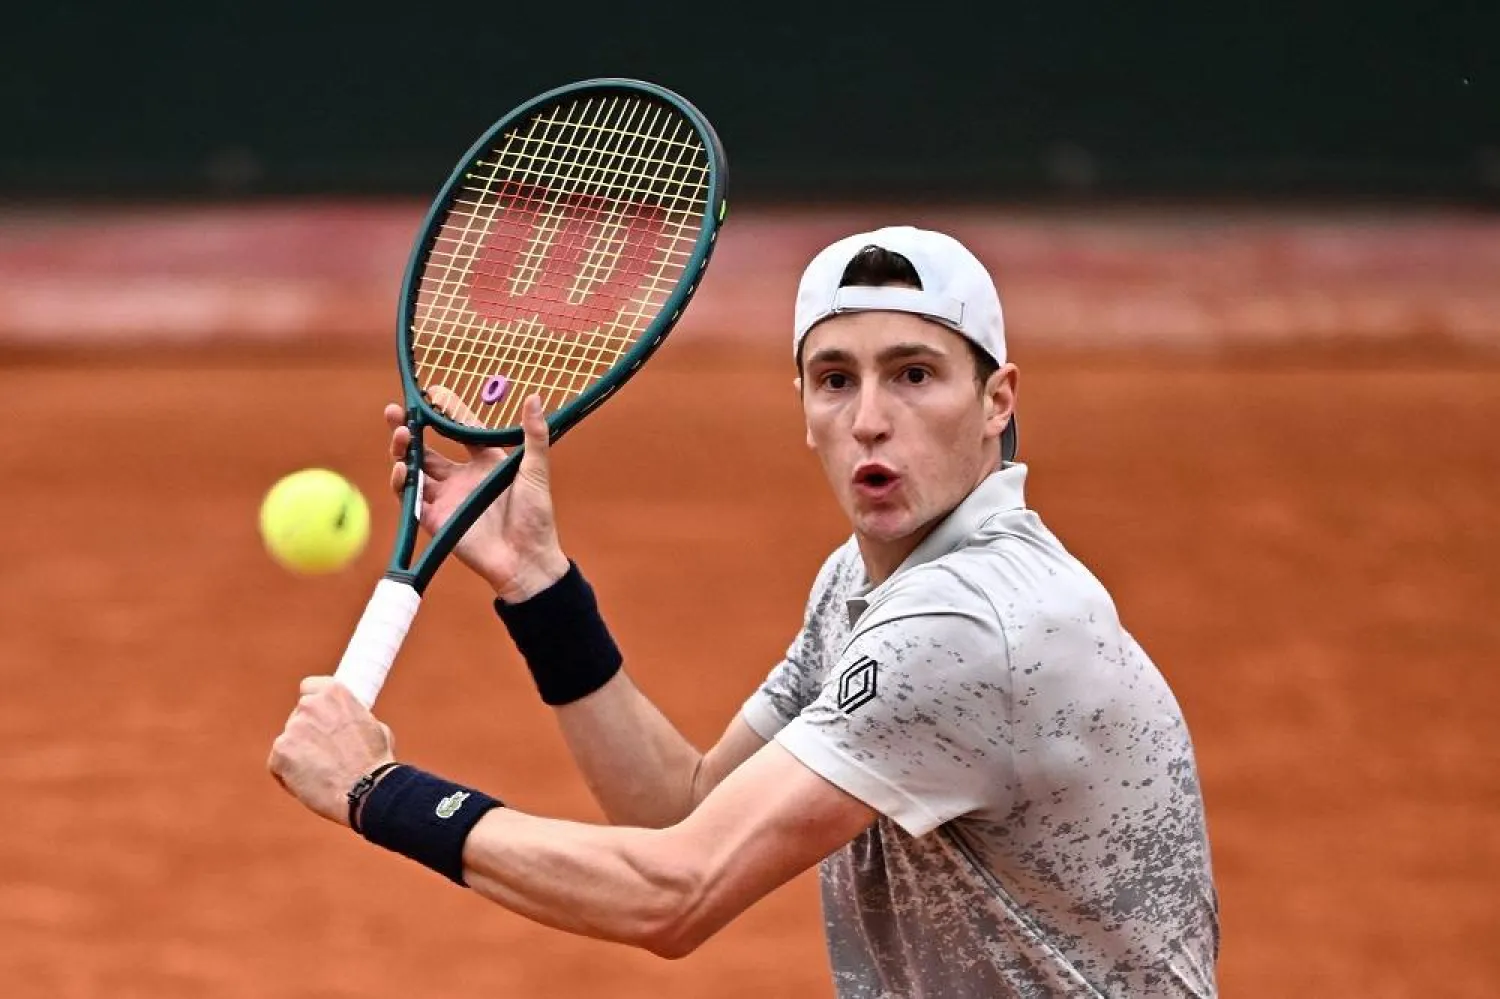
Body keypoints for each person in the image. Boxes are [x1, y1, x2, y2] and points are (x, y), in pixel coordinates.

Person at [269, 226, 1220, 997]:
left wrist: (377, 790)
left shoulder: (972, 624)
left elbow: (674, 894)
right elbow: (680, 807)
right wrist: (536, 581)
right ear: (802, 406)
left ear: (996, 400)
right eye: (836, 378)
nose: (870, 417)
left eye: (915, 374)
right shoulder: (862, 583)